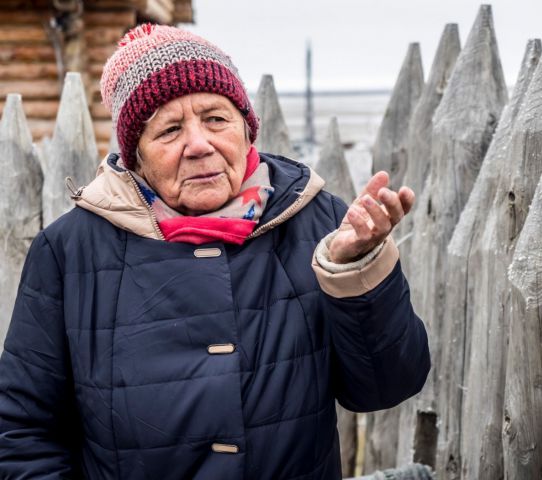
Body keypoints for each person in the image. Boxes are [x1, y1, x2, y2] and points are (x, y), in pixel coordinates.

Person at [0, 24, 429, 479]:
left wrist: (355, 272)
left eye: (216, 119)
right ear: (135, 156)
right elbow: (23, 434)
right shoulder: (70, 253)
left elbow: (388, 386)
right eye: (169, 130)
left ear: (246, 129)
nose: (199, 144)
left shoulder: (315, 222)